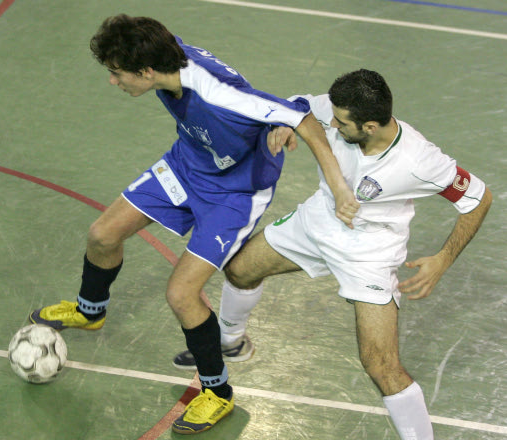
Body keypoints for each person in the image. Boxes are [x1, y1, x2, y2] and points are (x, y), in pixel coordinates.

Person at [29, 14, 358, 435]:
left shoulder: (215, 93)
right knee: (102, 235)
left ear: (147, 71)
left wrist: (338, 187)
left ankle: (217, 393)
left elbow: (303, 119)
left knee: (181, 294)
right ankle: (89, 310)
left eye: (117, 72)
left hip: (235, 192)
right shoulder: (165, 54)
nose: (113, 80)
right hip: (187, 164)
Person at [172, 69, 492, 439]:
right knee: (240, 270)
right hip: (317, 221)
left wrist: (442, 260)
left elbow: (478, 198)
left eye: (341, 123)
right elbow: (297, 108)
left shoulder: (419, 161)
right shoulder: (334, 109)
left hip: (369, 253)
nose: (332, 125)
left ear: (369, 126)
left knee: (381, 365)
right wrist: (286, 125)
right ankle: (232, 342)